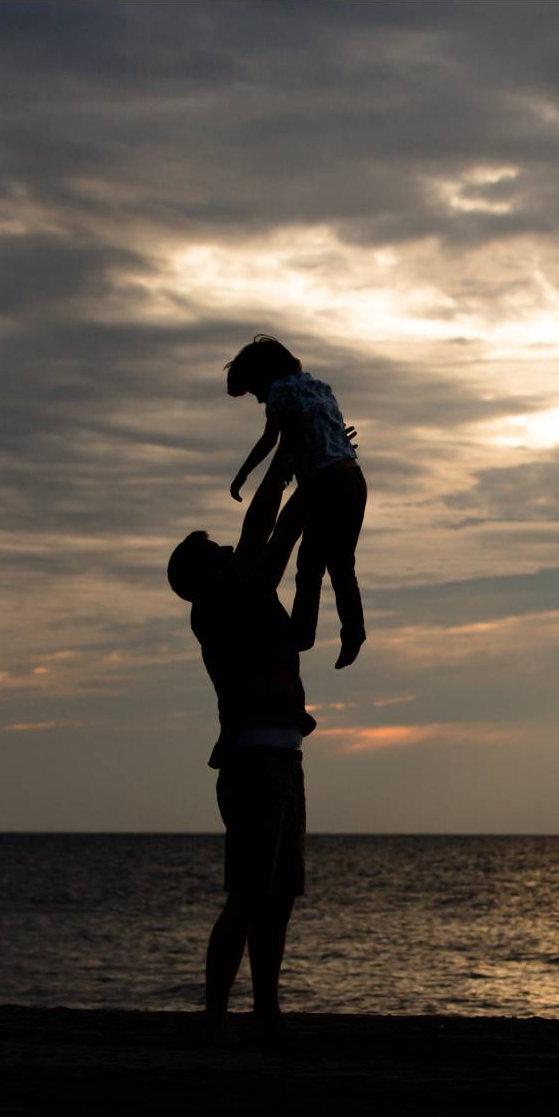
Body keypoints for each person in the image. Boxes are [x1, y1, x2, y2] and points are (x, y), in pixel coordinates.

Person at [167, 464, 316, 1046]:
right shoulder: (217, 606)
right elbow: (261, 533)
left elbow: (280, 537)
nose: (229, 547)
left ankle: (265, 1012)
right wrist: (280, 472)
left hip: (284, 761)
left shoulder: (249, 592)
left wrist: (313, 474)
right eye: (216, 548)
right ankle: (214, 1018)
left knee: (278, 898)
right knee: (250, 896)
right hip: (254, 767)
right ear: (205, 573)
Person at [225, 334, 368, 669]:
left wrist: (243, 474)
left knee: (304, 557)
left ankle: (304, 631)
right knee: (337, 562)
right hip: (352, 479)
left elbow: (272, 440)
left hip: (323, 484)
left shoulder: (280, 392)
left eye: (254, 392)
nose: (260, 401)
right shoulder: (319, 387)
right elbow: (315, 436)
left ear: (262, 378)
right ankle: (351, 630)